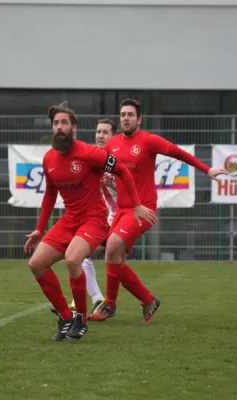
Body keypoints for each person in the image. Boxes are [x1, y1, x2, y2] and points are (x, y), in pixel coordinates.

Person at [25, 102, 156, 341]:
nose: (60, 127)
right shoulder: (49, 159)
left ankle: (81, 319)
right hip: (68, 220)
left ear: (73, 127)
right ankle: (66, 317)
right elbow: (50, 195)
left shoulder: (90, 153)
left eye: (65, 122)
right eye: (56, 123)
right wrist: (38, 229)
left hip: (94, 220)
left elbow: (123, 172)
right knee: (36, 264)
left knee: (74, 259)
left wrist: (137, 205)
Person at [90, 98, 229, 324]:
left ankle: (110, 305)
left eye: (130, 115)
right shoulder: (112, 144)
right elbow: (96, 165)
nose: (126, 118)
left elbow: (178, 153)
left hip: (142, 211)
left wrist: (206, 169)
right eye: (123, 115)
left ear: (139, 119)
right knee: (115, 259)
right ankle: (147, 300)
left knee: (112, 247)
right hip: (121, 211)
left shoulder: (148, 141)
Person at [55, 119, 118, 319]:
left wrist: (114, 185)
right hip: (101, 218)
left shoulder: (115, 160)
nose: (100, 135)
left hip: (119, 217)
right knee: (83, 255)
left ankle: (99, 301)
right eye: (98, 131)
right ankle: (96, 300)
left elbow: (132, 190)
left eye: (105, 132)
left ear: (113, 137)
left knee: (86, 255)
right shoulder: (93, 157)